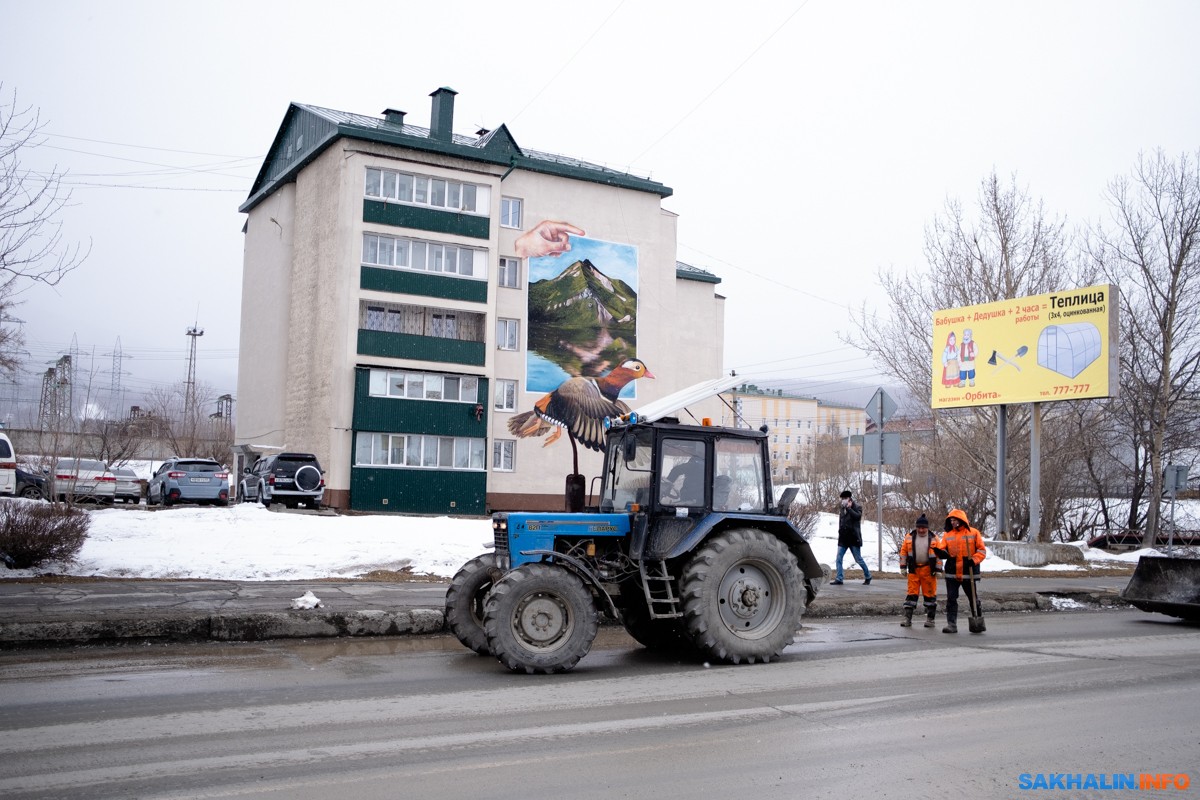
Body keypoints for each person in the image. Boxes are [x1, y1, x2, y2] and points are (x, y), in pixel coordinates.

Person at [933, 508, 987, 634]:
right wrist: (939, 552)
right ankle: (951, 625)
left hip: (969, 572)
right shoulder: (948, 535)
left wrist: (973, 560)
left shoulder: (973, 533)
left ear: (961, 520)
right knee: (951, 599)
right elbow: (943, 549)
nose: (952, 523)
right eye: (951, 520)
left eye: (954, 520)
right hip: (952, 572)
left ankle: (977, 620)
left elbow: (982, 551)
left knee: (973, 598)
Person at [898, 514, 940, 627]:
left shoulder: (934, 538)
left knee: (930, 595)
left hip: (928, 571)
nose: (921, 530)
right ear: (916, 527)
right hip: (914, 570)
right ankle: (907, 619)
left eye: (923, 528)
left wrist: (939, 569)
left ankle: (930, 620)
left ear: (927, 527)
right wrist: (902, 567)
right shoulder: (909, 537)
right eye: (919, 527)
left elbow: (939, 555)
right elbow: (903, 553)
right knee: (911, 594)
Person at [831, 490, 871, 585]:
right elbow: (841, 521)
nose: (843, 500)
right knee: (839, 558)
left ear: (849, 499)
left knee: (858, 559)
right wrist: (840, 531)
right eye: (842, 499)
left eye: (845, 498)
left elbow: (857, 517)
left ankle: (868, 576)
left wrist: (849, 509)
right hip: (843, 538)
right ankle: (839, 578)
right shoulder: (842, 508)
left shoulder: (857, 507)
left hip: (853, 538)